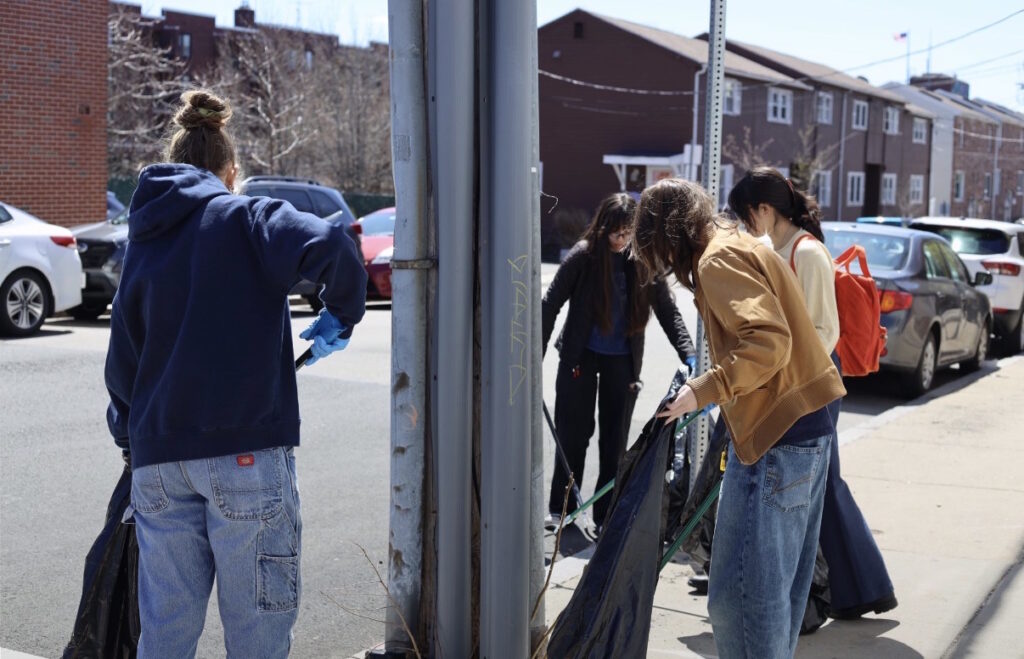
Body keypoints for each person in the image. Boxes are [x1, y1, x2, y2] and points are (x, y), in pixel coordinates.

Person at [104, 90, 367, 658]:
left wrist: (131, 437)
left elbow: (122, 359)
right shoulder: (247, 217)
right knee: (256, 639)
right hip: (245, 453)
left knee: (165, 638)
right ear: (231, 171)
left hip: (158, 462)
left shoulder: (144, 242)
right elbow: (332, 245)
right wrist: (340, 315)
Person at [631, 178, 845, 659]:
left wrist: (701, 390)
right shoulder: (736, 242)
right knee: (775, 595)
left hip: (777, 438)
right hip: (802, 428)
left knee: (741, 598)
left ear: (666, 235)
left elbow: (769, 342)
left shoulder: (715, 260)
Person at [727, 166, 897, 621]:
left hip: (814, 380)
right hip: (801, 377)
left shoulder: (807, 253)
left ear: (766, 209)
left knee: (819, 485)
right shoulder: (780, 249)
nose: (746, 226)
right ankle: (856, 589)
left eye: (747, 215)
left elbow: (825, 331)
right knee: (820, 485)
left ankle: (854, 588)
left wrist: (787, 376)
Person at [541, 192, 697, 531]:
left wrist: (689, 352)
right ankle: (561, 511)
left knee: (614, 442)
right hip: (580, 358)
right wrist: (533, 356)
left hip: (622, 362)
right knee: (572, 436)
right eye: (614, 232)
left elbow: (668, 311)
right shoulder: (583, 257)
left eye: (627, 233)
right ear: (602, 228)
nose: (620, 240)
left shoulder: (642, 260)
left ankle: (604, 515)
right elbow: (550, 303)